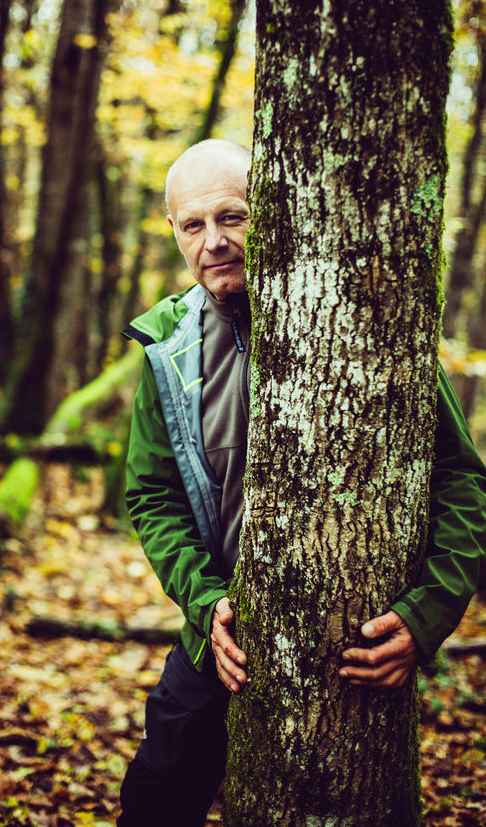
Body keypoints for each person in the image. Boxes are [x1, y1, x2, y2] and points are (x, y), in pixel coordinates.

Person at [117, 139, 486, 827]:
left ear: (271, 212)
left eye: (233, 216)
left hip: (349, 654)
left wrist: (429, 614)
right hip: (219, 638)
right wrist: (204, 600)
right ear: (173, 231)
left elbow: (460, 477)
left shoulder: (365, 319)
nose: (214, 241)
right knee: (154, 801)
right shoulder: (167, 349)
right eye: (193, 225)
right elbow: (152, 495)